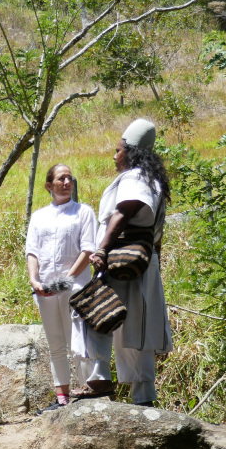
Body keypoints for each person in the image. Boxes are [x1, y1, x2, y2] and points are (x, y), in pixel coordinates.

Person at [83, 118, 172, 406]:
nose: (114, 155)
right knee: (138, 327)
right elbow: (156, 233)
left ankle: (100, 378)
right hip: (145, 262)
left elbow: (124, 211)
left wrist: (102, 250)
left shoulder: (135, 177)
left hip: (123, 260)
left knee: (97, 312)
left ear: (130, 152)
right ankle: (144, 397)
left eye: (118, 150)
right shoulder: (152, 178)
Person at [25, 164, 98, 408]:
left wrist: (66, 279)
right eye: (61, 178)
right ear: (49, 185)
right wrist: (34, 280)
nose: (67, 182)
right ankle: (62, 397)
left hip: (74, 288)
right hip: (45, 289)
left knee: (78, 343)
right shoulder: (39, 216)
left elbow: (88, 249)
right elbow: (32, 251)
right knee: (55, 343)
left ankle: (88, 393)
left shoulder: (83, 212)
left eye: (69, 178)